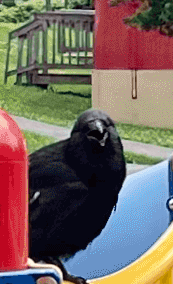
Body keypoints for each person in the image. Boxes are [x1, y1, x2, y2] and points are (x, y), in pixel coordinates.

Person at [26, 109, 126, 269]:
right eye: (86, 130)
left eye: (106, 127)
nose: (98, 130)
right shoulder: (64, 179)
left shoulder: (110, 171)